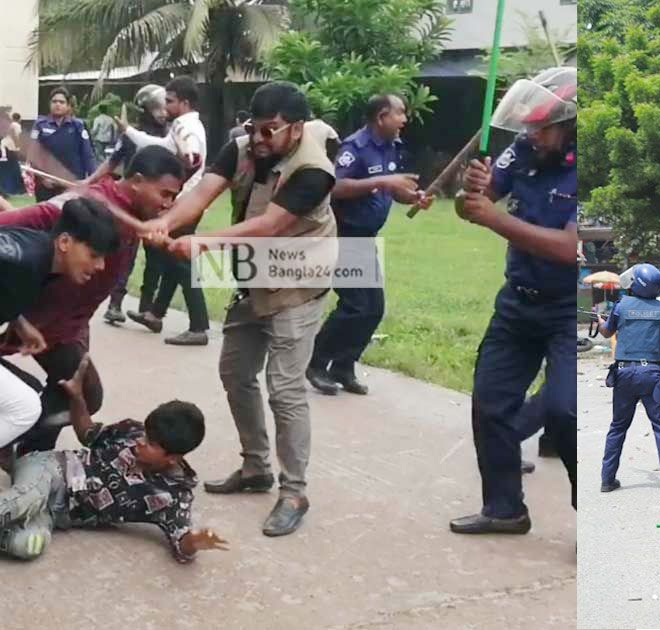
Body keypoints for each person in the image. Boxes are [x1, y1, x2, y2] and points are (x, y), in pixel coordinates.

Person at [140, 81, 341, 537]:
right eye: (256, 128)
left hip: (298, 282)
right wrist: (166, 221)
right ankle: (256, 468)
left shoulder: (314, 170)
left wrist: (202, 243)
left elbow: (271, 225)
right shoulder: (243, 147)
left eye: (271, 130)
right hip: (254, 280)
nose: (262, 139)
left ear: (296, 128)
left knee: (284, 390)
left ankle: (294, 491)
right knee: (235, 371)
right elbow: (202, 192)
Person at [448, 67, 577, 535]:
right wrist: (472, 190)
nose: (532, 134)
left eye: (543, 126)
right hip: (517, 303)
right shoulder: (522, 151)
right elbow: (470, 207)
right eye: (529, 125)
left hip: (566, 310)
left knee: (566, 412)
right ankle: (504, 509)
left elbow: (568, 249)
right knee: (490, 402)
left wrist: (491, 219)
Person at [0, 147, 185, 455]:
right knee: (49, 397)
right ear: (137, 181)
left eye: (172, 198)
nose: (167, 205)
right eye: (163, 194)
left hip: (63, 326)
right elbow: (18, 221)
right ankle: (20, 446)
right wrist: (20, 316)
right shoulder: (84, 206)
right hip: (39, 318)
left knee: (76, 393)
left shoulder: (136, 215)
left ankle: (28, 454)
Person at [0, 354, 228, 562]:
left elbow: (181, 543)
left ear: (172, 458)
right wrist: (77, 397)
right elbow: (88, 433)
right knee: (27, 498)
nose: (141, 441)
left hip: (55, 513)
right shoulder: (131, 431)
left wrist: (195, 542)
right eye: (146, 435)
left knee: (28, 544)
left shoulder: (174, 496)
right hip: (50, 469)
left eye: (150, 443)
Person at [306, 93, 431, 396]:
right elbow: (336, 186)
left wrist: (412, 196)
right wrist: (384, 182)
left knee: (373, 309)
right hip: (344, 234)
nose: (405, 119)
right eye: (400, 113)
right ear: (381, 117)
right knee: (356, 304)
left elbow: (392, 190)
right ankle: (316, 363)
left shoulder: (392, 147)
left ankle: (344, 366)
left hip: (364, 238)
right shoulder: (355, 147)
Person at [0, 199, 119, 453]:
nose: (100, 266)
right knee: (24, 406)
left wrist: (19, 321)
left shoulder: (39, 258)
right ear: (65, 242)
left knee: (28, 390)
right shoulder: (24, 263)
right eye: (94, 255)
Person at [119, 77, 211, 346]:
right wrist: (129, 131)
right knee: (173, 259)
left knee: (181, 263)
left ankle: (199, 326)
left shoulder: (187, 127)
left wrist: (179, 184)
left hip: (184, 204)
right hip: (184, 202)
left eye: (170, 101)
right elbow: (158, 146)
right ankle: (156, 313)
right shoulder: (182, 125)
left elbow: (192, 159)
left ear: (184, 102)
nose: (165, 106)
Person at [597, 263, 660, 496]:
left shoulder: (621, 305)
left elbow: (607, 332)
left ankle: (607, 480)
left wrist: (601, 320)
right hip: (652, 374)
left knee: (618, 427)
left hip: (623, 373)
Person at [93, 84, 170, 325]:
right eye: (157, 106)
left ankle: (146, 308)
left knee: (156, 256)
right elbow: (112, 161)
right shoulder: (132, 134)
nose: (162, 111)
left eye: (164, 105)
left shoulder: (171, 135)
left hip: (159, 205)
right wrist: (89, 181)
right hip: (133, 203)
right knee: (125, 252)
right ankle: (115, 303)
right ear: (146, 108)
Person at [30, 88, 94, 202]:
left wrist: (91, 180)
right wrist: (43, 178)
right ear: (50, 104)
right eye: (54, 101)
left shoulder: (78, 126)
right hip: (47, 184)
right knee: (46, 217)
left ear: (68, 106)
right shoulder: (40, 125)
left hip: (72, 183)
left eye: (61, 102)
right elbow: (33, 153)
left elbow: (87, 154)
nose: (57, 104)